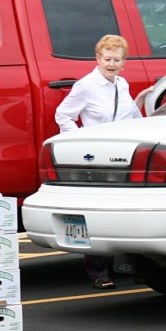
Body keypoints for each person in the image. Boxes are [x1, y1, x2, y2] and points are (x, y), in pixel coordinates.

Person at [55, 34, 147, 289]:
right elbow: (63, 115)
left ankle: (134, 267)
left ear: (123, 62)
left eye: (116, 60)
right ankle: (97, 272)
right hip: (94, 158)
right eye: (107, 59)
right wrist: (79, 141)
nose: (111, 64)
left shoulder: (122, 84)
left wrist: (142, 100)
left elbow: (129, 115)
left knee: (124, 212)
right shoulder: (86, 86)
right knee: (93, 214)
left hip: (119, 156)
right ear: (98, 59)